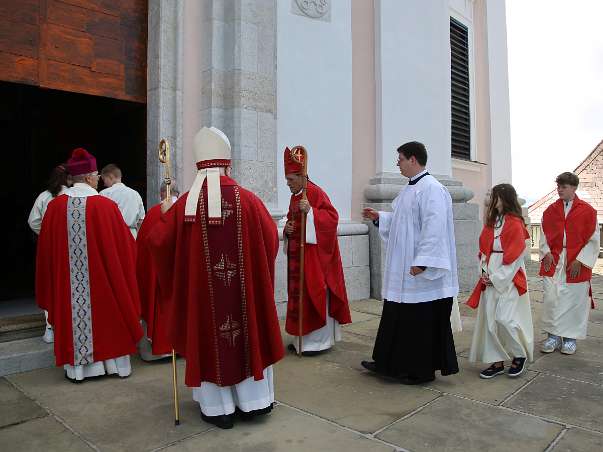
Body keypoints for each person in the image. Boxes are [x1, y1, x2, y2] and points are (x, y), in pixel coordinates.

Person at [147, 127, 284, 430]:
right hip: (243, 296)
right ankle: (253, 404)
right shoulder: (248, 200)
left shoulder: (182, 205)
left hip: (203, 299)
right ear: (227, 164)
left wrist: (163, 214)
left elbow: (157, 243)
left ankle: (217, 407)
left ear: (199, 165)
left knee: (206, 334)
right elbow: (270, 242)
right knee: (245, 334)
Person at [36, 148, 143, 382]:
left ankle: (79, 371)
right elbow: (126, 250)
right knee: (109, 317)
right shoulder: (106, 207)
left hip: (68, 289)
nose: (97, 180)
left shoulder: (55, 208)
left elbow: (46, 252)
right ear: (87, 178)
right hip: (104, 285)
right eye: (96, 175)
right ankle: (115, 366)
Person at [361, 141, 459, 385]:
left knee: (419, 322)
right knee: (397, 316)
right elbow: (404, 221)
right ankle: (389, 363)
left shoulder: (432, 189)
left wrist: (424, 262)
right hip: (404, 271)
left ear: (413, 159)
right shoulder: (409, 189)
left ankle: (419, 370)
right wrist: (381, 218)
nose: (398, 164)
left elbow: (434, 229)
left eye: (400, 159)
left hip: (419, 273)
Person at [282, 147, 352, 356]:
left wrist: (311, 212)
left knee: (313, 295)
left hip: (315, 259)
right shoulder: (296, 196)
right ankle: (300, 339)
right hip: (298, 258)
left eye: (291, 180)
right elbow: (291, 220)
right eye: (287, 180)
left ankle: (317, 343)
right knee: (298, 297)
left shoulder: (314, 192)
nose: (288, 184)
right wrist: (288, 229)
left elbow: (332, 219)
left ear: (302, 177)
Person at [467, 183, 534, 379]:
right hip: (490, 271)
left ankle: (518, 354)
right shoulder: (492, 222)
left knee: (504, 318)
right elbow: (484, 250)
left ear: (503, 199)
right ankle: (496, 361)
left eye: (493, 195)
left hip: (510, 276)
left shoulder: (515, 223)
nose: (490, 198)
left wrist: (496, 278)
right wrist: (485, 273)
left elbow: (515, 256)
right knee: (489, 320)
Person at [539, 172, 600, 355]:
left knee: (574, 301)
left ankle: (570, 339)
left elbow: (593, 239)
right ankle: (553, 337)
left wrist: (580, 260)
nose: (559, 190)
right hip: (554, 260)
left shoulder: (588, 211)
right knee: (551, 299)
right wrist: (546, 252)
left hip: (576, 261)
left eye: (563, 187)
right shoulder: (550, 210)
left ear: (574, 187)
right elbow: (543, 233)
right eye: (558, 187)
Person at [136, 182, 180, 361]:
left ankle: (161, 348)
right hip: (181, 275)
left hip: (158, 275)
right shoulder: (187, 210)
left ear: (162, 193)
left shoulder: (153, 213)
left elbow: (142, 247)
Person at [28, 164, 72, 344]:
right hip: (71, 245)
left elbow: (33, 220)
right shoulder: (71, 195)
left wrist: (46, 235)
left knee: (51, 284)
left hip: (50, 247)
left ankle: (50, 328)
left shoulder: (44, 196)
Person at [100, 164, 145, 237]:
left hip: (113, 235)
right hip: (132, 235)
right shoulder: (135, 194)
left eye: (104, 180)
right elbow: (140, 221)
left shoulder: (104, 193)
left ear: (111, 177)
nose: (104, 184)